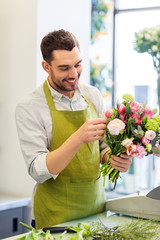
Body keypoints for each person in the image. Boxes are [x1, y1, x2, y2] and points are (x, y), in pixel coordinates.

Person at [15, 29, 132, 230]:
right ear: (46, 66)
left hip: (96, 211)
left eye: (77, 64)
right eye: (63, 68)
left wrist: (114, 159)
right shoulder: (30, 107)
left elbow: (102, 148)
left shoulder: (93, 95)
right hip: (55, 216)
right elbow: (38, 171)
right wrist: (78, 137)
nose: (73, 74)